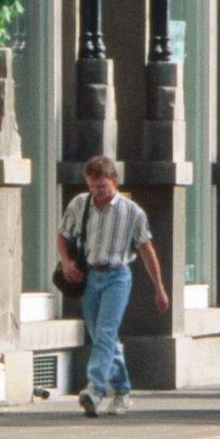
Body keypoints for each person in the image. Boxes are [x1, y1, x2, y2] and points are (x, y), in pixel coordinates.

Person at [57, 154, 168, 416]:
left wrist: (159, 288)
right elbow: (63, 235)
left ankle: (95, 389)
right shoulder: (80, 204)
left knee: (106, 331)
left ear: (114, 181)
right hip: (90, 276)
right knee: (102, 338)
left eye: (103, 187)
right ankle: (122, 389)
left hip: (118, 276)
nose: (98, 193)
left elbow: (146, 250)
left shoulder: (132, 212)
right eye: (93, 187)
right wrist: (66, 262)